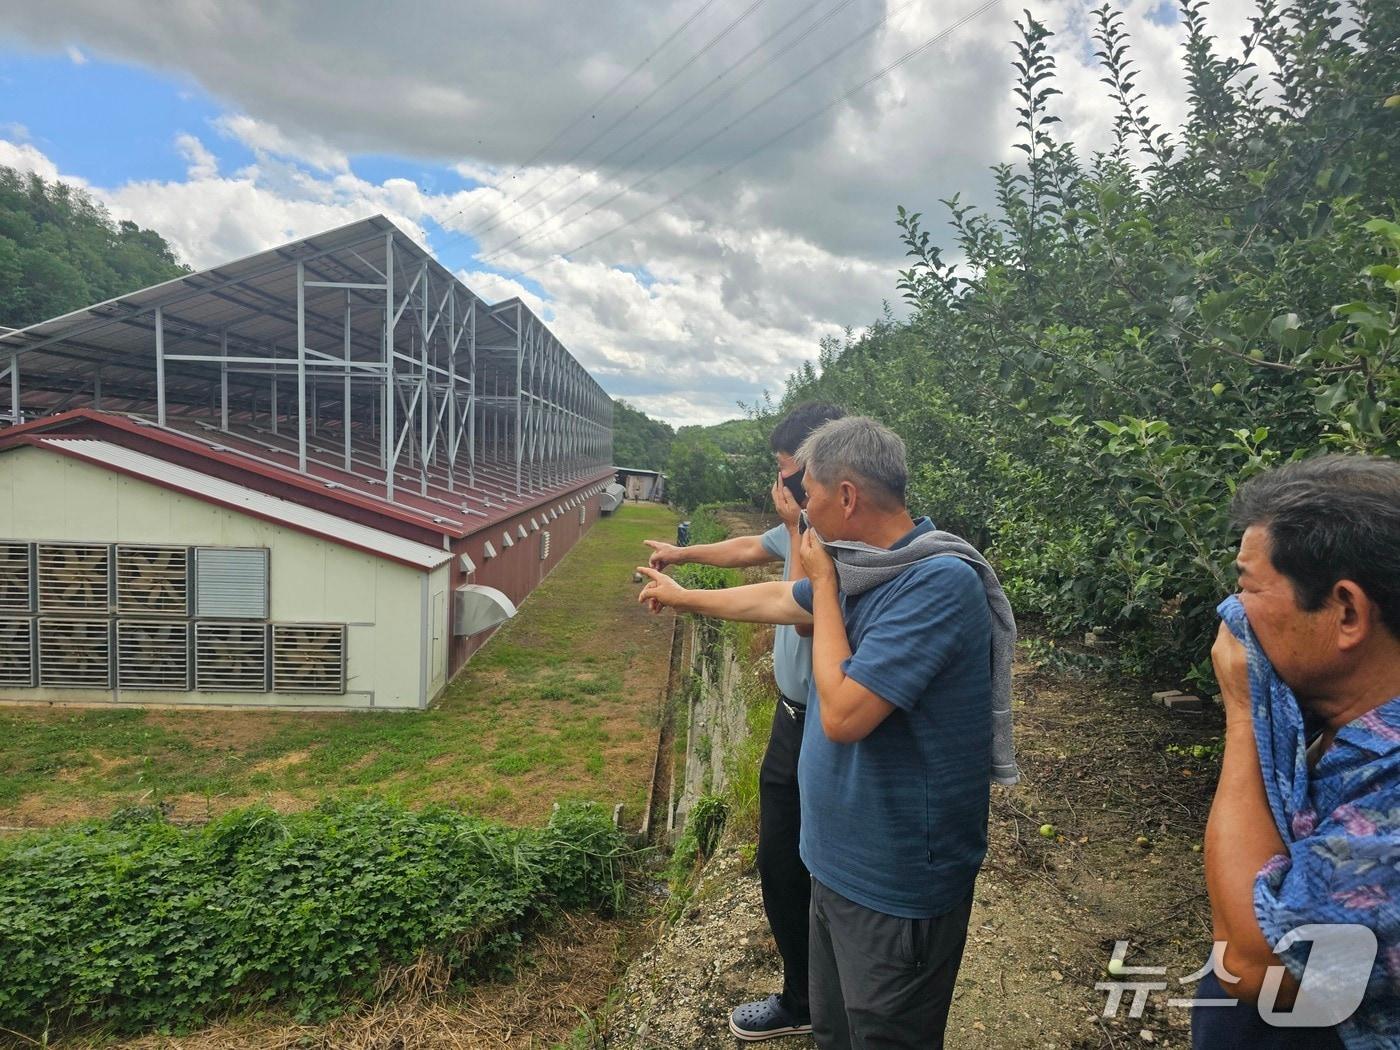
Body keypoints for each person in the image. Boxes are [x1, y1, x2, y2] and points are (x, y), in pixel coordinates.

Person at [638, 416, 1018, 1049]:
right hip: (835, 862)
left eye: (807, 494)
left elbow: (841, 714)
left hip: (894, 882)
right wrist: (684, 597)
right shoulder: (868, 568)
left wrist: (829, 590)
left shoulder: (934, 582)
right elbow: (779, 600)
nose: (800, 511)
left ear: (846, 497)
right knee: (837, 1034)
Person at [643, 401, 846, 1042]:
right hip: (793, 716)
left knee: (816, 866)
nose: (781, 489)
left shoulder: (841, 534)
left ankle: (823, 999)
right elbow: (745, 549)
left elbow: (798, 606)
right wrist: (682, 557)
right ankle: (803, 994)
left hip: (829, 723)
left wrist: (686, 598)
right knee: (780, 860)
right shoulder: (801, 526)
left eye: (789, 476)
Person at [1194, 455, 1400, 1049]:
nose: (1231, 613)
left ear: (1346, 612)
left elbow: (1264, 966)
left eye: (1247, 588)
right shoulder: (1342, 728)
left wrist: (1241, 716)